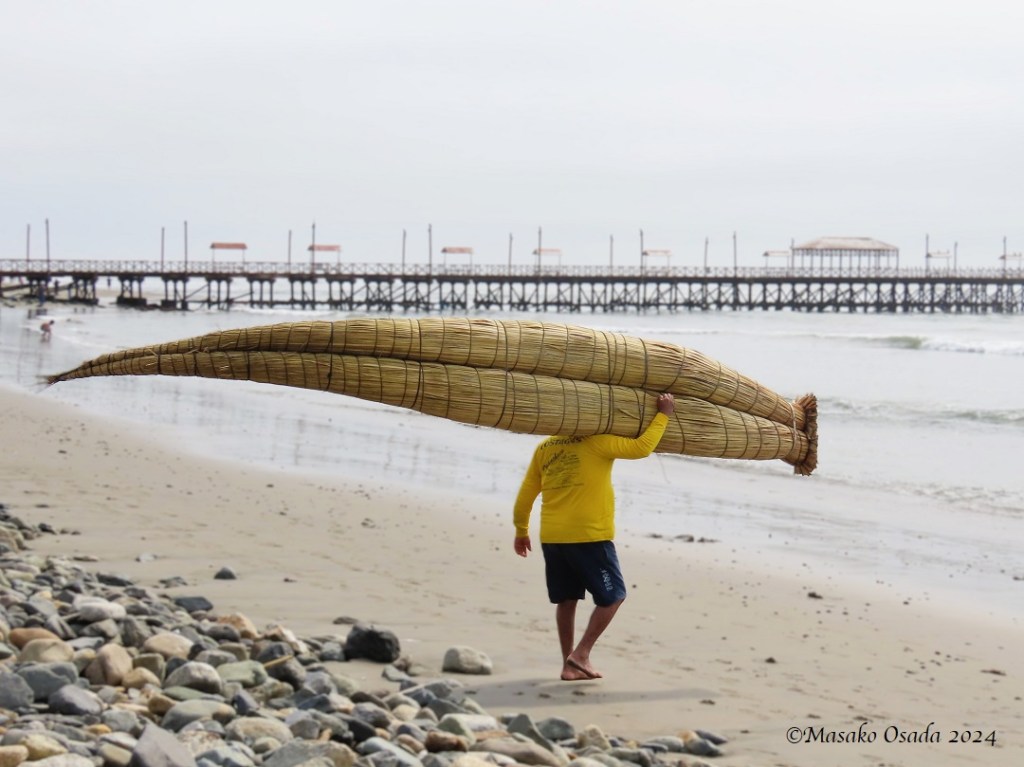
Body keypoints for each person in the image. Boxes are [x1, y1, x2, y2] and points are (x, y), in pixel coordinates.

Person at [513, 392, 676, 681]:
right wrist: (663, 414)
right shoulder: (597, 442)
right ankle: (581, 654)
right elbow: (641, 447)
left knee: (567, 600)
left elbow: (527, 492)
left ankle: (568, 665)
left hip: (552, 537)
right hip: (588, 537)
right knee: (613, 596)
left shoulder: (545, 447)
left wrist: (521, 530)